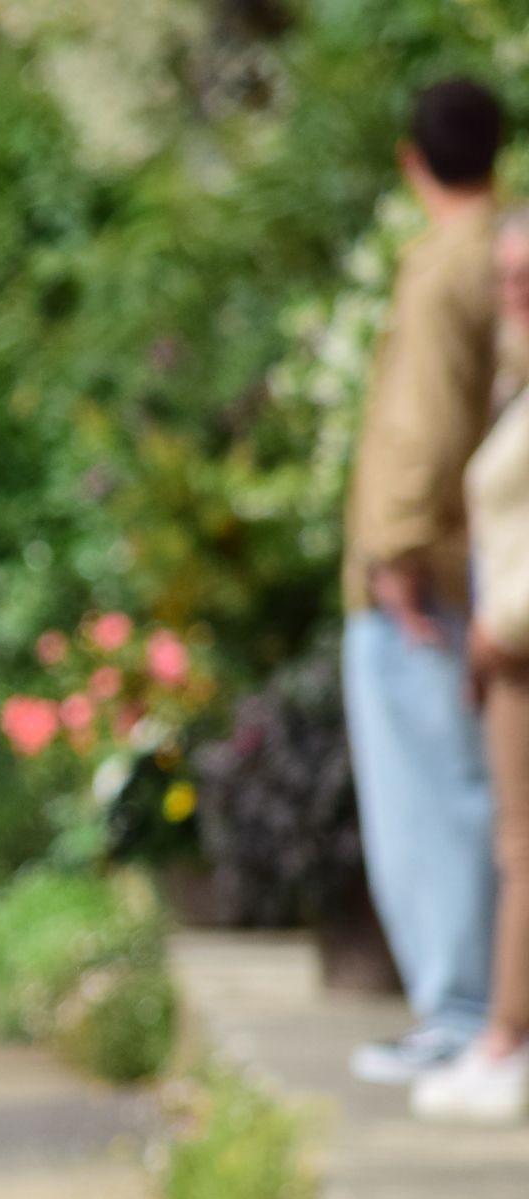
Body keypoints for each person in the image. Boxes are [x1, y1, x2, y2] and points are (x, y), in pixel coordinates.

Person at [341, 78, 506, 1087]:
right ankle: (474, 1005)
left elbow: (421, 420)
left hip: (424, 581)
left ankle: (458, 1010)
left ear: (411, 159)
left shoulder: (448, 262)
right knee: (469, 792)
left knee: (430, 802)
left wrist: (393, 552)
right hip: (473, 569)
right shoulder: (501, 246)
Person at [418, 205, 529, 1125]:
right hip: (505, 646)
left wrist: (501, 626)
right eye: (505, 278)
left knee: (522, 849)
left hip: (518, 642)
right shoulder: (514, 380)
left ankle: (505, 1038)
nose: (514, 293)